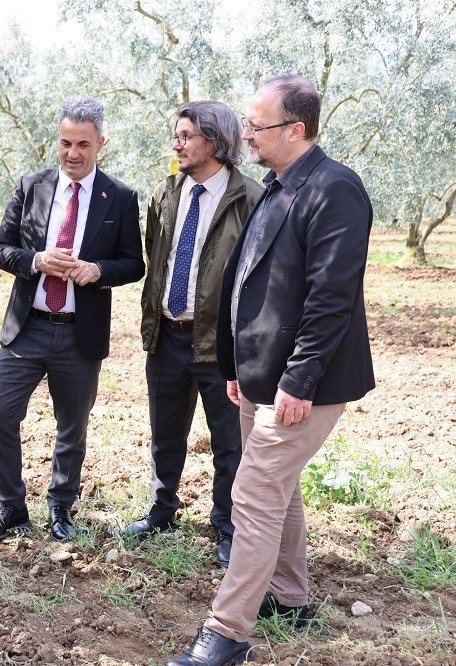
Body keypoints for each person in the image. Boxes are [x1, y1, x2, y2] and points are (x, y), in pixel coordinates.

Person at [167, 75, 374, 666]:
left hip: (304, 382)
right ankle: (288, 597)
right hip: (260, 376)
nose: (247, 135)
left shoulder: (335, 189)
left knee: (254, 491)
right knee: (277, 487)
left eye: (257, 126)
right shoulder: (279, 186)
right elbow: (251, 278)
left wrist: (298, 381)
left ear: (296, 129)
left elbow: (331, 297)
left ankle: (227, 631)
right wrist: (239, 365)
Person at [0, 96, 145, 542]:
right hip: (26, 328)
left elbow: (134, 263)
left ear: (101, 144)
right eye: (66, 142)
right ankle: (11, 507)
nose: (72, 153)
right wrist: (36, 261)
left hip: (79, 335)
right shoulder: (31, 187)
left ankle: (60, 508)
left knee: (73, 426)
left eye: (83, 144)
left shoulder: (121, 198)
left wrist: (98, 270)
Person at [127, 101, 263, 566]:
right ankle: (161, 510)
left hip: (221, 346)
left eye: (186, 136)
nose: (176, 144)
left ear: (215, 141)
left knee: (229, 443)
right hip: (166, 337)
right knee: (165, 433)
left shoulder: (250, 199)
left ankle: (227, 525)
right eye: (176, 135)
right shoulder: (165, 194)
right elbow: (156, 258)